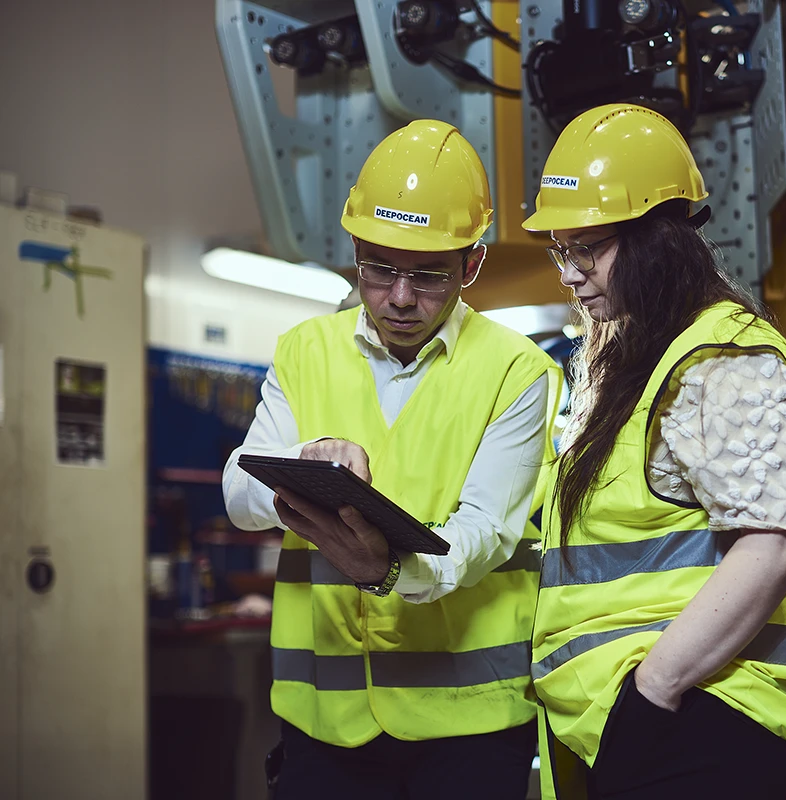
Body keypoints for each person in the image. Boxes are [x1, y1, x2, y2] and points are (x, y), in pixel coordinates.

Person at [222, 119, 560, 800]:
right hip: (324, 727)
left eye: (428, 275)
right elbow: (239, 493)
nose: (400, 298)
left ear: (471, 265)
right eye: (379, 269)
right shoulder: (302, 350)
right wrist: (303, 459)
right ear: (354, 252)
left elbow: (485, 529)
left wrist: (391, 569)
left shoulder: (517, 371)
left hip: (470, 731)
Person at [523, 103, 786, 798]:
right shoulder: (633, 356)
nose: (568, 273)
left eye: (586, 249)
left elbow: (776, 542)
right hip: (643, 721)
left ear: (657, 240)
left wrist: (654, 689)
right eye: (560, 251)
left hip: (708, 717)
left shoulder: (728, 359)